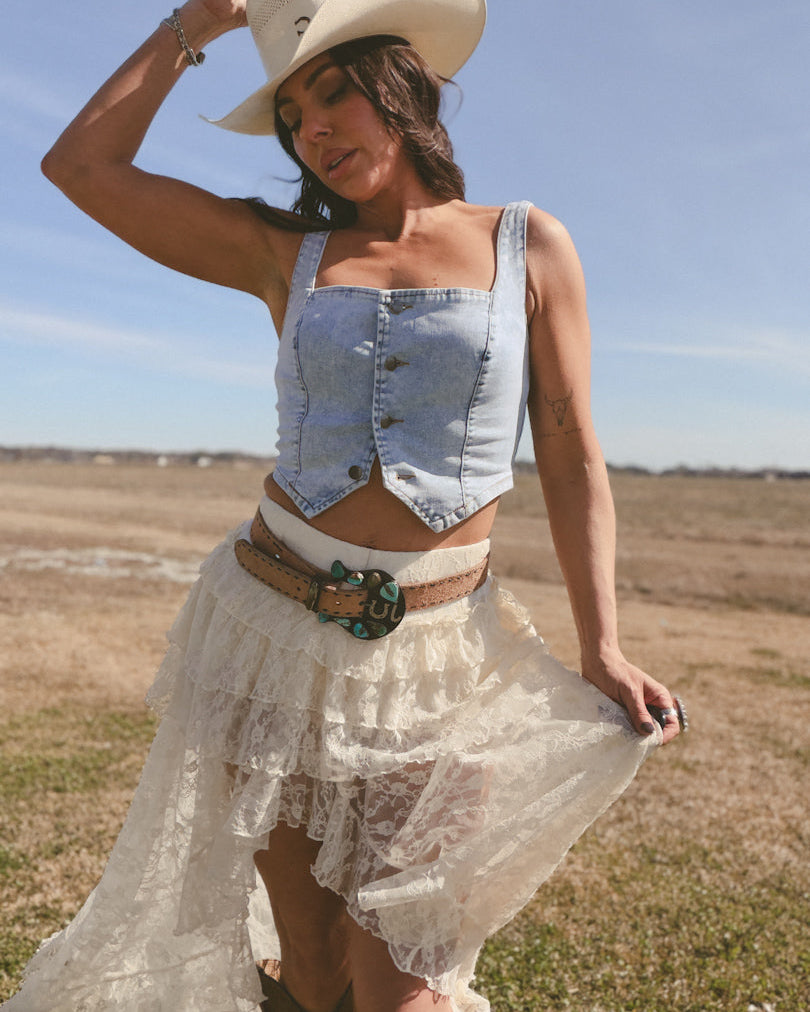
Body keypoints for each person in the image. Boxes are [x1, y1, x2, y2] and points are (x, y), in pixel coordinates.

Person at [6, 0, 686, 1010]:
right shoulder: (283, 252)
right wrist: (190, 28)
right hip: (268, 633)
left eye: (332, 94)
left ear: (400, 85)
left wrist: (604, 643)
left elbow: (573, 451)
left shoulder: (527, 244)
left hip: (439, 653)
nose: (313, 131)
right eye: (291, 119)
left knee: (404, 977)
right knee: (315, 965)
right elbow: (83, 169)